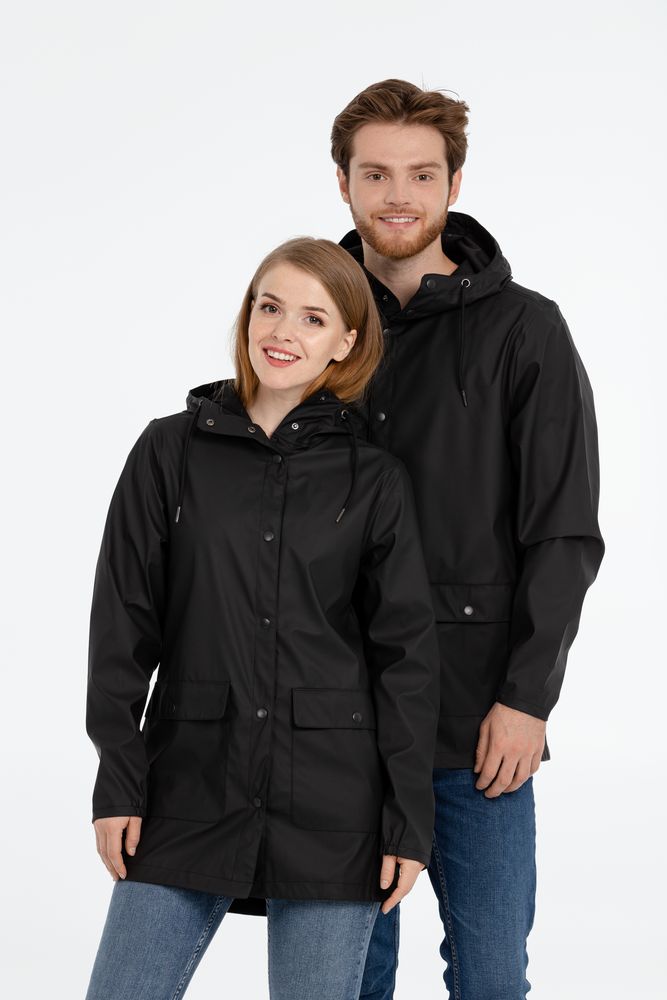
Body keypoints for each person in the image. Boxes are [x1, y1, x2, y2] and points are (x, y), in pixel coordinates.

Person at [84, 236, 441, 1000]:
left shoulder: (373, 478)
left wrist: (407, 820)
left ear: (345, 342)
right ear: (247, 314)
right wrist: (117, 782)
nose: (283, 331)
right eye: (269, 307)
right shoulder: (169, 450)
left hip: (333, 803)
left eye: (313, 318)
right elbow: (121, 627)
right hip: (187, 784)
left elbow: (405, 660)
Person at [330, 79, 605, 999]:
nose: (396, 195)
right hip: (332, 718)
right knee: (343, 979)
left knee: (489, 978)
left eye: (420, 174)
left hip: (475, 718)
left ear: (453, 183)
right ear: (343, 183)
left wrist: (527, 697)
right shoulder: (312, 323)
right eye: (375, 173)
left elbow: (563, 529)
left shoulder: (525, 329)